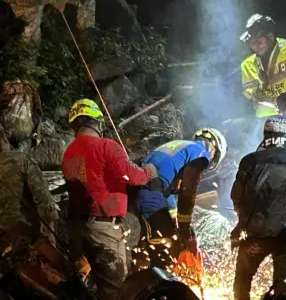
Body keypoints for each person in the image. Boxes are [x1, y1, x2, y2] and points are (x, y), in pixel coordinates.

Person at [62, 99, 158, 299]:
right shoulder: (107, 146)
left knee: (91, 283)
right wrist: (148, 172)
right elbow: (131, 176)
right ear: (97, 122)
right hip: (103, 228)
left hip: (77, 229)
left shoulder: (68, 153)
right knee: (116, 290)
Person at [231, 116, 286, 299]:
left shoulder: (251, 160)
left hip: (257, 234)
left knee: (242, 280)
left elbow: (236, 197)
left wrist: (243, 222)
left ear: (266, 135)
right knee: (284, 285)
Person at [133, 129, 227, 270]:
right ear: (214, 150)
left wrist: (177, 223)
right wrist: (185, 228)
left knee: (145, 244)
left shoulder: (179, 146)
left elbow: (167, 192)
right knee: (165, 244)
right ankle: (162, 284)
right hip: (150, 193)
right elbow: (188, 192)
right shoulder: (200, 154)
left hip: (140, 191)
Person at [240, 14, 286, 118]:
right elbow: (247, 99)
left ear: (271, 36)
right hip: (264, 123)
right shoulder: (247, 65)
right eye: (252, 43)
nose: (256, 46)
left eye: (259, 41)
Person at [0, 124, 58, 242]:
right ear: (4, 139)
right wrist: (50, 230)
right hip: (22, 232)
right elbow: (42, 194)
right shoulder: (20, 160)